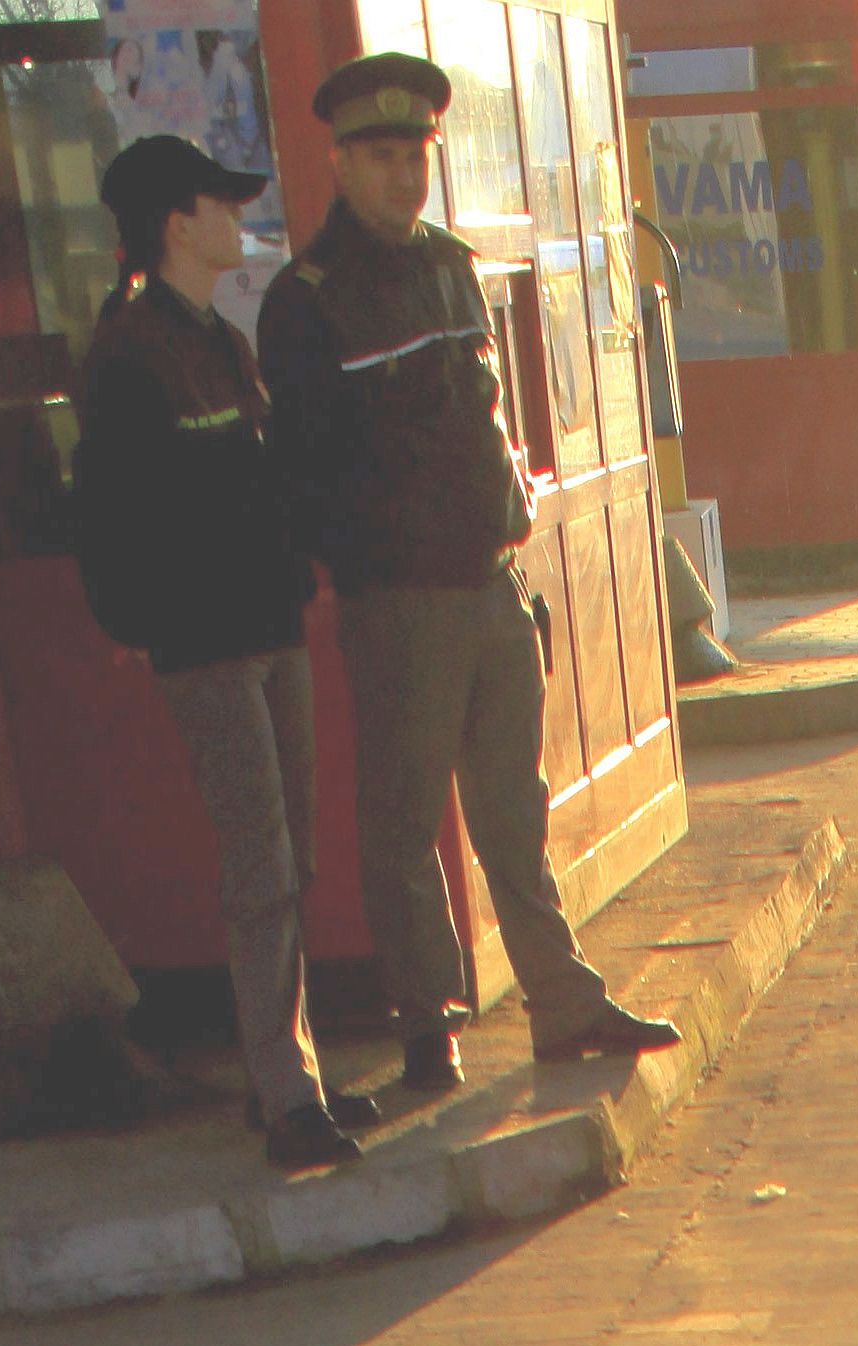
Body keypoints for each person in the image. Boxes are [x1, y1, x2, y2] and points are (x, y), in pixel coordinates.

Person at [258, 51, 678, 1094]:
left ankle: (562, 1003)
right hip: (399, 600)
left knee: (511, 813)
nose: (407, 177)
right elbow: (304, 470)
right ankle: (425, 1025)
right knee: (404, 825)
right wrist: (373, 553)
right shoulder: (308, 301)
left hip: (491, 584)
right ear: (342, 165)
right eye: (385, 157)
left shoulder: (451, 267)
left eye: (418, 156)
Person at [73, 133, 377, 1172]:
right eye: (219, 202)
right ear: (174, 223)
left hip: (268, 627)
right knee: (260, 871)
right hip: (206, 647)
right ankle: (286, 1098)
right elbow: (112, 519)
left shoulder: (218, 336)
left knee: (293, 860)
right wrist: (152, 623)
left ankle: (287, 1076)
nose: (237, 217)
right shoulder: (128, 353)